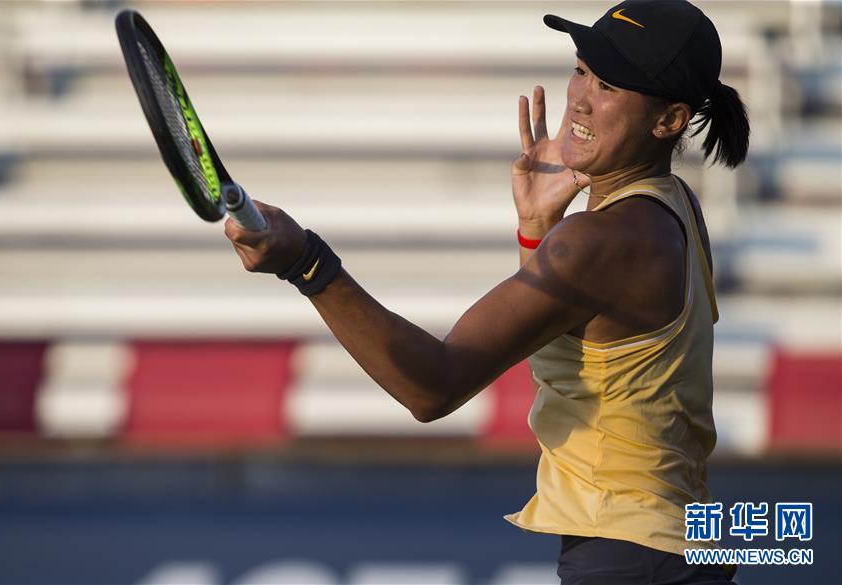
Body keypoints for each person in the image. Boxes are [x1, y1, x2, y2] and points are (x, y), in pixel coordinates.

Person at [224, 1, 748, 582]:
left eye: (608, 86)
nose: (579, 98)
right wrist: (537, 229)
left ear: (669, 120)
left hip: (629, 557)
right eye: (581, 70)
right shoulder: (673, 205)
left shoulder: (599, 241)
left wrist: (307, 264)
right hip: (676, 547)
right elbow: (580, 355)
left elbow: (432, 386)